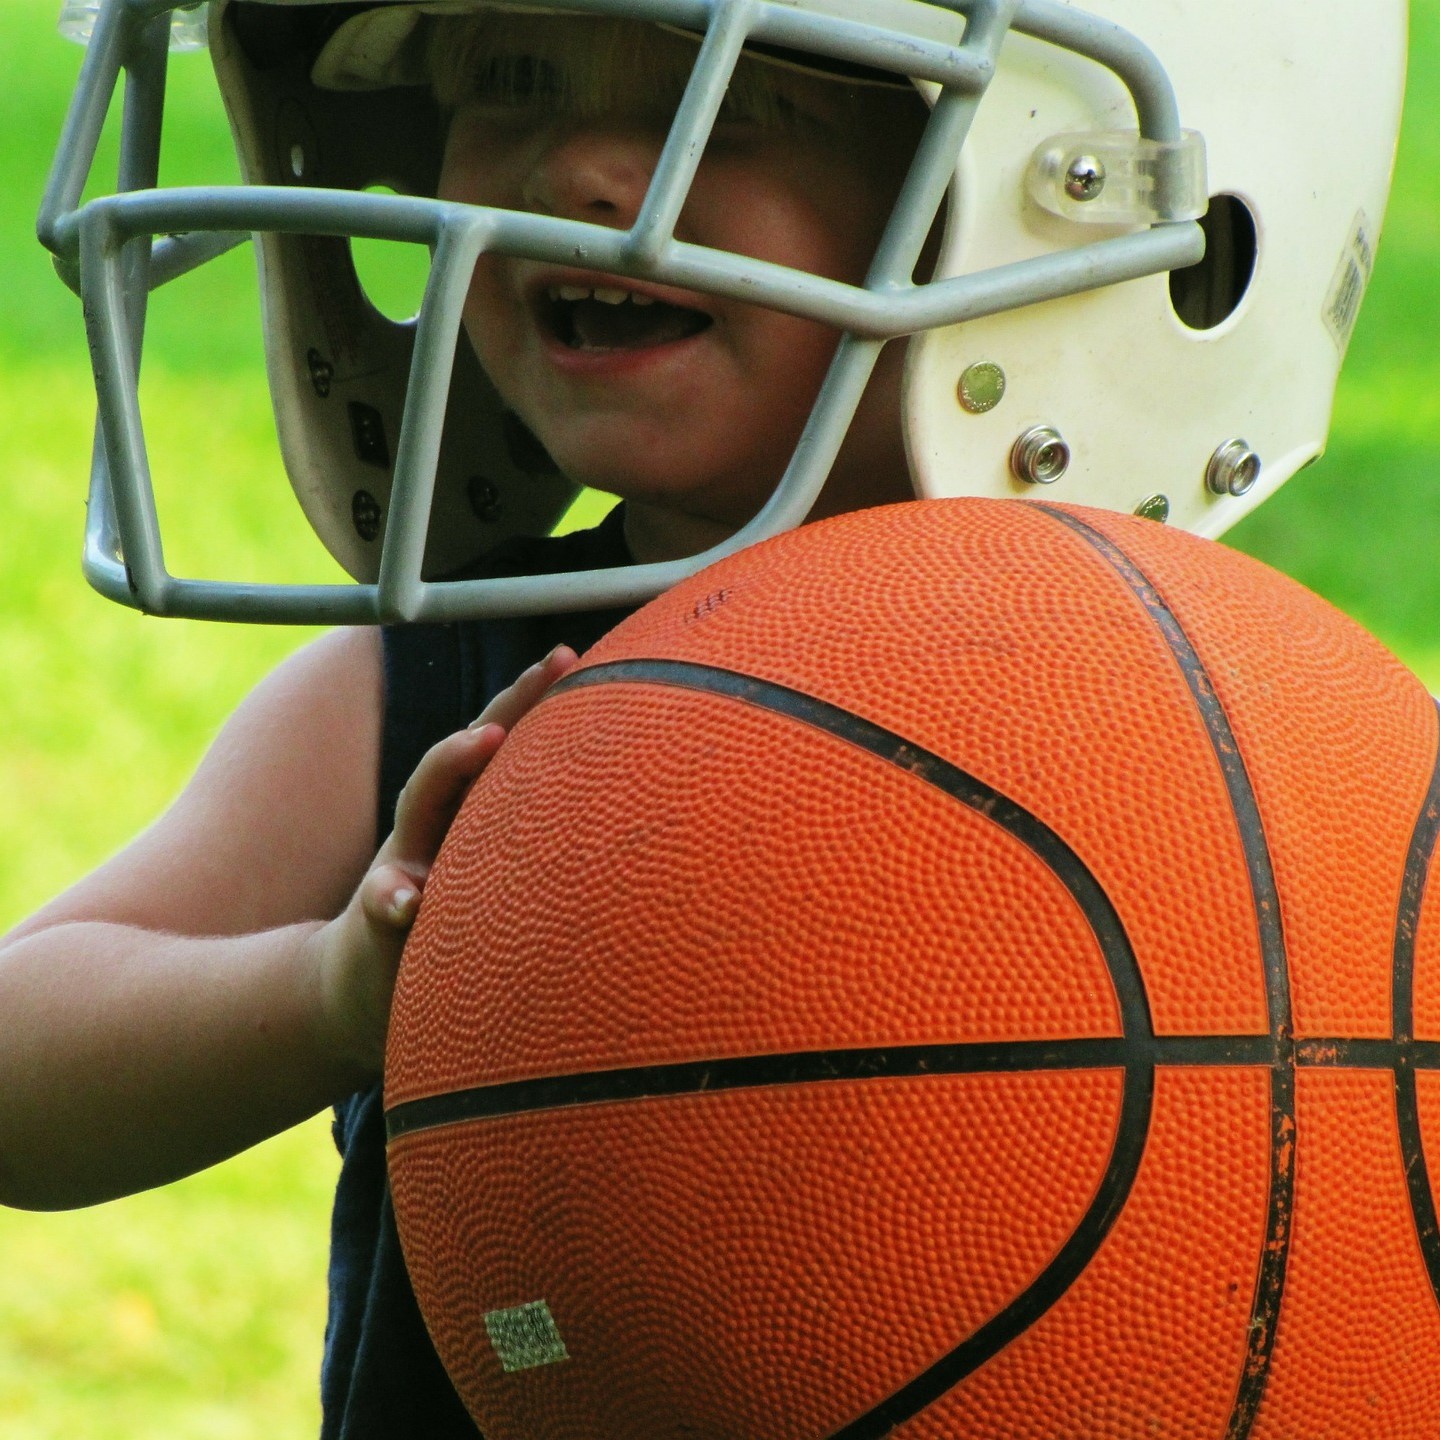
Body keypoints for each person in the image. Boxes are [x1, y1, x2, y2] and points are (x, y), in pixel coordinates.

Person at [7, 0, 1407, 1435]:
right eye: (512, 80)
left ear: (1064, 200)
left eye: (738, 105)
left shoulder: (1247, 744)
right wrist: (322, 997)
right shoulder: (440, 689)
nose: (578, 173)